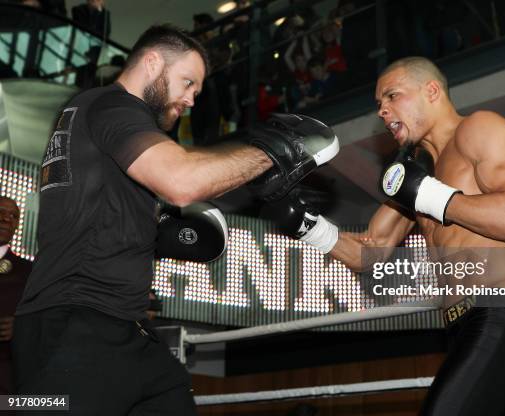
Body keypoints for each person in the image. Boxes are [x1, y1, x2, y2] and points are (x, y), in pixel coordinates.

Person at [12, 24, 338, 415]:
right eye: (187, 83)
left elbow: (100, 210)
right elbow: (182, 182)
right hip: (78, 327)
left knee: (171, 389)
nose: (191, 100)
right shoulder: (115, 107)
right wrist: (279, 152)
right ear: (152, 63)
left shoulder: (88, 113)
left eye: (196, 92)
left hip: (115, 329)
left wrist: (156, 232)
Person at [266, 56, 505, 415]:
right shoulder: (418, 172)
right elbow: (371, 253)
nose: (383, 111)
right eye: (379, 104)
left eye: (392, 96)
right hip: (458, 327)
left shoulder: (479, 129)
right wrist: (305, 225)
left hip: (501, 318)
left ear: (431, 91)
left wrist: (431, 196)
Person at [0, 196, 32, 396]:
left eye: (13, 216)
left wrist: (21, 325)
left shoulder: (29, 271)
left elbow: (44, 317)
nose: (6, 219)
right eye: (1, 212)